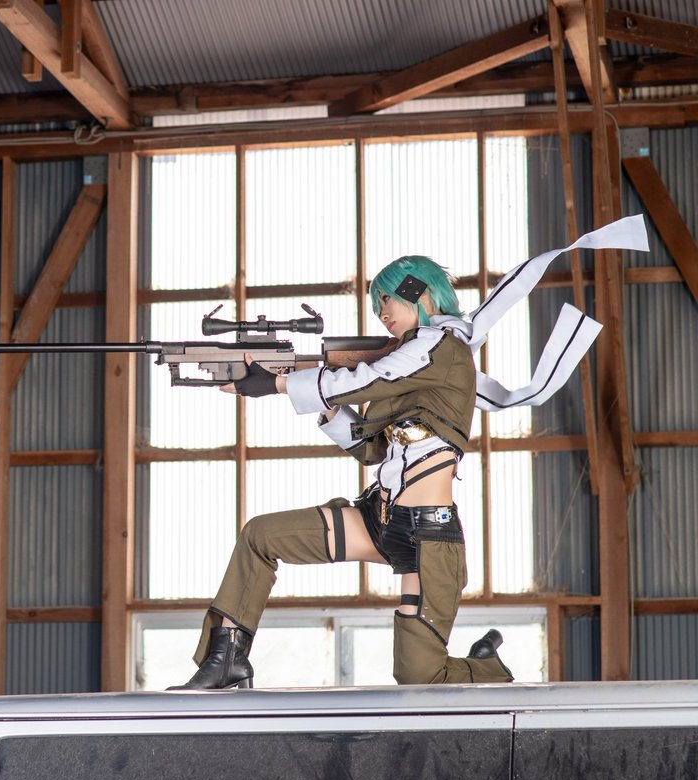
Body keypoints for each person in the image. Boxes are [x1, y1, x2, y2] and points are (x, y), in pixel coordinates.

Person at [170, 255, 512, 690]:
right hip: (378, 518)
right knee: (261, 536)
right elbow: (371, 450)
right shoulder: (409, 359)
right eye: (377, 304)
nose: (383, 313)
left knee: (419, 675)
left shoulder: (442, 347)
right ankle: (226, 660)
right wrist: (317, 399)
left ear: (420, 293)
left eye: (387, 300)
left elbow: (368, 378)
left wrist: (279, 384)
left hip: (425, 535)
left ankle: (488, 667)